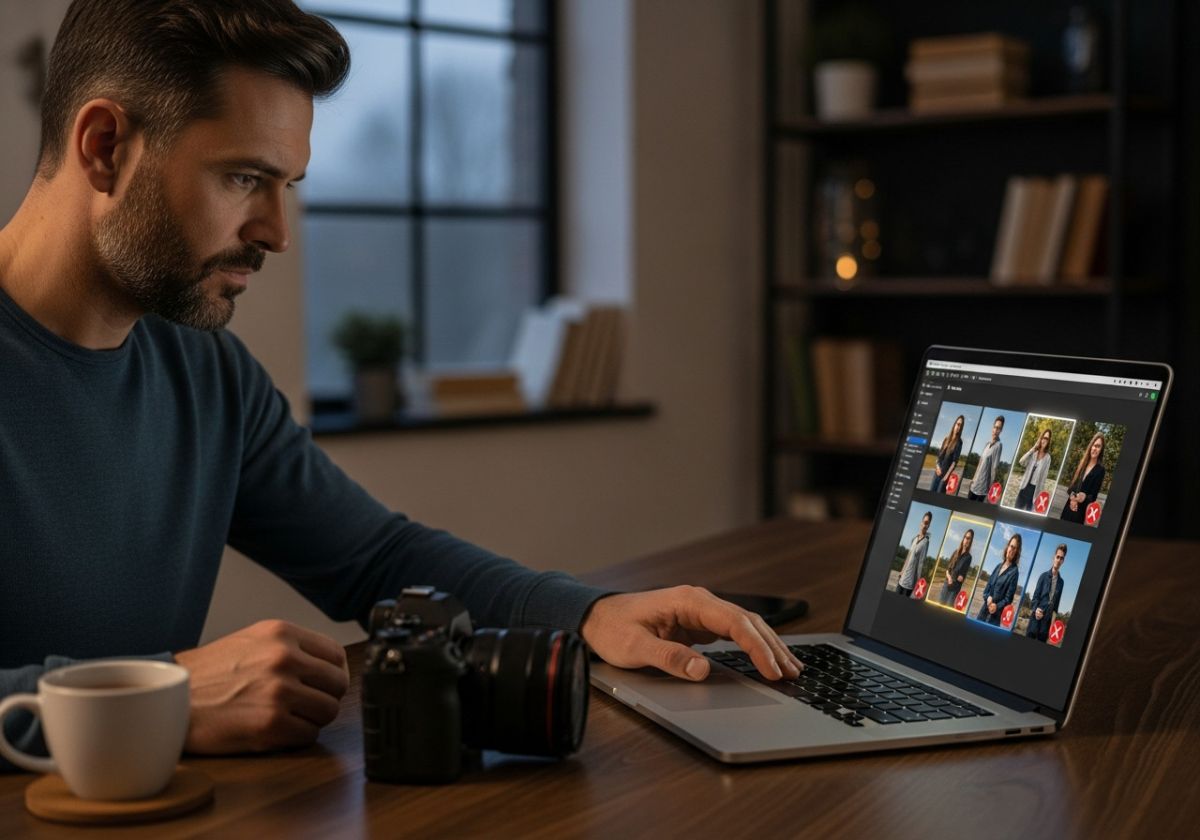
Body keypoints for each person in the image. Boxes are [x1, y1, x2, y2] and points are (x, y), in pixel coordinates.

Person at [0, 0, 801, 769]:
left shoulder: (203, 369)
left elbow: (377, 557)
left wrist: (587, 613)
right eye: (244, 178)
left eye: (288, 186)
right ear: (104, 146)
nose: (276, 233)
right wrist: (154, 697)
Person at [1060, 433, 1106, 524]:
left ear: (1101, 450)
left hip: (1080, 512)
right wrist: (1073, 498)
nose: (1095, 449)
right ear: (1090, 446)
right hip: (1068, 507)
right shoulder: (1082, 463)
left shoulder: (1101, 470)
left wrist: (1083, 497)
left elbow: (1093, 497)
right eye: (1094, 445)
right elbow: (1070, 487)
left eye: (1098, 446)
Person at [977, 534, 1022, 625]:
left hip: (994, 618)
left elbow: (1008, 599)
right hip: (983, 612)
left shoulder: (1014, 572)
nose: (1012, 550)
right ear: (1007, 546)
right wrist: (988, 597)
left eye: (1015, 549)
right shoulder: (998, 566)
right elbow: (987, 588)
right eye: (1011, 546)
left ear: (1017, 552)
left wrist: (996, 606)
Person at [1026, 544, 1067, 641]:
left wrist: (1052, 624)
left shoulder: (1061, 582)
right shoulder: (1043, 576)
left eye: (1061, 558)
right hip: (1035, 620)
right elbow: (1035, 598)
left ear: (1063, 561)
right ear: (1054, 557)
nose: (1059, 560)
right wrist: (1036, 609)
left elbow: (1056, 605)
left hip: (1046, 625)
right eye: (1057, 557)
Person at [1015, 428, 1054, 511]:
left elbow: (1043, 478)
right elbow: (1021, 461)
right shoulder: (1033, 453)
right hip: (1024, 488)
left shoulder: (1048, 458)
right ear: (1040, 439)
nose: (1044, 440)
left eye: (1047, 439)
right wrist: (1033, 449)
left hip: (1034, 491)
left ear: (1049, 441)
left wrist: (1039, 496)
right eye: (1043, 437)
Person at [967, 416, 1005, 502]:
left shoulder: (999, 446)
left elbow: (994, 469)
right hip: (974, 485)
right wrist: (973, 478)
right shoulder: (987, 444)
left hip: (983, 490)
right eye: (995, 427)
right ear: (992, 428)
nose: (995, 430)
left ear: (1001, 431)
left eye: (998, 428)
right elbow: (980, 462)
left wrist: (990, 490)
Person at [897, 512, 932, 598]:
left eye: (928, 523)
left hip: (909, 584)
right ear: (921, 522)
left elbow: (921, 563)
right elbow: (908, 556)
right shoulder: (914, 538)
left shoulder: (925, 542)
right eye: (924, 522)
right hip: (901, 579)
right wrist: (902, 570)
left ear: (929, 526)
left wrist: (918, 583)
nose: (925, 525)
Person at [929, 414, 965, 493]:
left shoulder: (959, 442)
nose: (958, 427)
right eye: (958, 424)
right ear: (954, 424)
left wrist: (946, 477)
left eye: (961, 426)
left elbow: (954, 462)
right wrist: (937, 467)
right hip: (936, 474)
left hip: (944, 478)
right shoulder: (946, 439)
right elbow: (939, 456)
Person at [938, 528, 974, 606]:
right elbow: (947, 570)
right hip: (946, 585)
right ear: (963, 538)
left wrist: (961, 577)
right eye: (966, 537)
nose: (967, 540)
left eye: (969, 539)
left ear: (971, 541)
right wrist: (949, 578)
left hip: (954, 590)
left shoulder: (968, 557)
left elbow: (962, 576)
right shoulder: (955, 552)